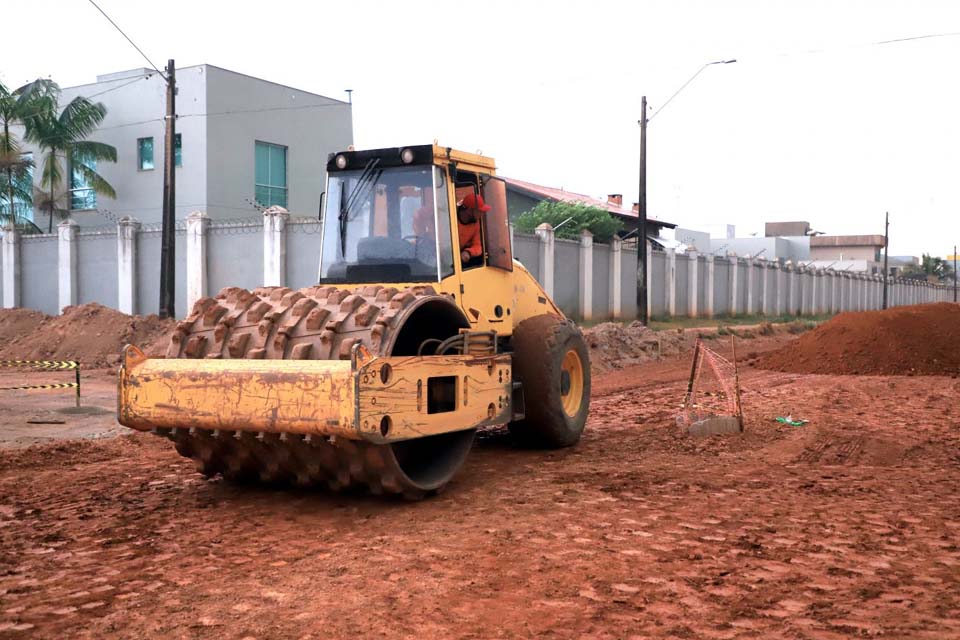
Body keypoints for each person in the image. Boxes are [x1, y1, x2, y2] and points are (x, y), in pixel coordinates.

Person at [457, 192, 489, 267]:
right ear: (469, 210)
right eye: (480, 211)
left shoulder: (476, 224)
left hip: (460, 256)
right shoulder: (449, 217)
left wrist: (468, 252)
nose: (482, 214)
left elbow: (478, 246)